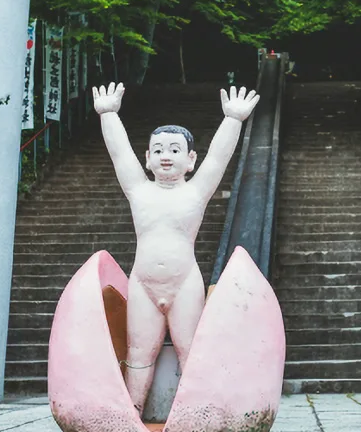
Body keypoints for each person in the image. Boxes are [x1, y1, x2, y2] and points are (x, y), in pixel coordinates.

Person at [92, 82, 259, 414]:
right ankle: (133, 413)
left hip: (185, 283)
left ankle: (196, 415)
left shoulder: (195, 192)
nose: (165, 156)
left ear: (191, 159)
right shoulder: (139, 190)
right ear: (147, 159)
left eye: (174, 150)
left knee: (192, 351)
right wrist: (108, 114)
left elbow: (219, 158)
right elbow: (120, 155)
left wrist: (233, 120)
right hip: (143, 283)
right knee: (139, 354)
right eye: (157, 150)